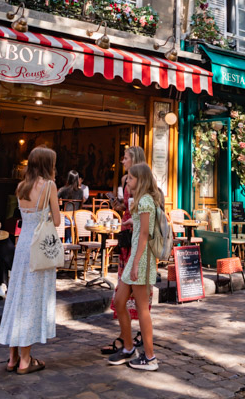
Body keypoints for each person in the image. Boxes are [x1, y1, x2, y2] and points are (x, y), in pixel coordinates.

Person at [0, 146, 61, 375]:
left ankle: (12, 357)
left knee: (17, 297)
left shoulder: (21, 187)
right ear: (47, 164)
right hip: (40, 249)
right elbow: (57, 220)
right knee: (32, 300)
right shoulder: (50, 186)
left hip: (22, 246)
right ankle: (25, 359)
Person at [108, 162, 161, 371]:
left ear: (140, 179)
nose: (127, 181)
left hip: (142, 257)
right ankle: (129, 347)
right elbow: (142, 227)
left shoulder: (146, 200)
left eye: (130, 178)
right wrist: (133, 223)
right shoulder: (140, 201)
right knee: (119, 301)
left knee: (141, 308)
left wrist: (136, 262)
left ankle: (150, 357)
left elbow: (146, 235)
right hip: (137, 257)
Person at [101, 145, 146, 356]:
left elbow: (144, 208)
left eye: (125, 158)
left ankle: (136, 338)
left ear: (134, 159)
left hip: (138, 236)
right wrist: (117, 204)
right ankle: (126, 336)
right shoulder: (124, 180)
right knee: (122, 287)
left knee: (137, 291)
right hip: (126, 234)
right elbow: (126, 207)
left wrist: (132, 215)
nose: (122, 161)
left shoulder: (143, 180)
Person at [58, 170, 83, 242]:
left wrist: (60, 203)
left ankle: (67, 243)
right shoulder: (80, 191)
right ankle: (71, 242)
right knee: (70, 222)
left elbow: (55, 198)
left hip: (65, 218)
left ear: (68, 178)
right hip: (77, 218)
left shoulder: (62, 190)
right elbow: (81, 205)